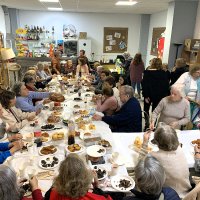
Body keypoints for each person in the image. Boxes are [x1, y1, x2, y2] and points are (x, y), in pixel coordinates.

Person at [140, 123, 191, 198]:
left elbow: (140, 164)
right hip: (188, 193)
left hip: (170, 196)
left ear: (157, 142)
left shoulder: (154, 156)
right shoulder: (180, 149)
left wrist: (145, 142)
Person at [44, 154, 112, 200]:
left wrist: (35, 188)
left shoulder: (51, 194)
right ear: (86, 180)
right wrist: (96, 185)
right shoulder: (96, 197)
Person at [141, 57, 169, 130]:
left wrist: (146, 95)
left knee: (146, 110)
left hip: (148, 95)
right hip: (158, 95)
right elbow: (165, 85)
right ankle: (152, 125)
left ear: (152, 63)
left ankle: (147, 124)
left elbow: (145, 85)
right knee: (155, 111)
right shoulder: (164, 73)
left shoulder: (147, 72)